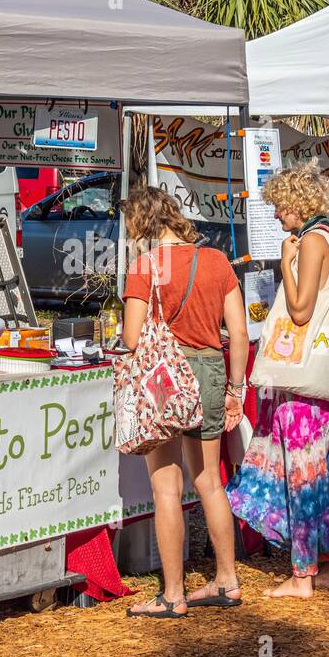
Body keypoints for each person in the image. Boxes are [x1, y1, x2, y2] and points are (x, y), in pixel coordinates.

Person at [230, 162, 329, 599]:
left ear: (298, 204)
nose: (277, 215)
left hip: (306, 382)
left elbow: (299, 311)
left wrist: (286, 263)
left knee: (303, 475)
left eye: (280, 206)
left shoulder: (312, 243)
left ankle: (302, 575)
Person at [121, 185, 250, 618]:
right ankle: (227, 580)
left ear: (142, 223)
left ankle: (173, 594)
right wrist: (236, 391)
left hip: (164, 379)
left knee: (165, 488)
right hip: (211, 371)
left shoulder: (144, 267)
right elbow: (240, 333)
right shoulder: (215, 261)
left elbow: (133, 338)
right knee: (209, 481)